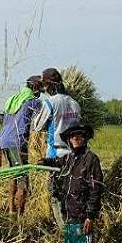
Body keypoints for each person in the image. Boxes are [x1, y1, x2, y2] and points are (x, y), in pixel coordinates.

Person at [39, 124, 103, 243]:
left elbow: (95, 190)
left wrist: (90, 217)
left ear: (85, 139)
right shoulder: (69, 158)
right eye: (73, 136)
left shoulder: (91, 159)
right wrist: (44, 162)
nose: (76, 138)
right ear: (69, 140)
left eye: (79, 136)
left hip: (82, 216)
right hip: (69, 214)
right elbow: (56, 162)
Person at [31, 67, 82, 226]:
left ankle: (65, 231)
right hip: (74, 157)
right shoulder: (75, 104)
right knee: (71, 194)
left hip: (56, 156)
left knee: (56, 196)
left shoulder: (50, 103)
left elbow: (37, 125)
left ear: (48, 86)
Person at [0, 75, 43, 216]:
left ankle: (11, 208)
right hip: (17, 142)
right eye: (40, 88)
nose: (41, 92)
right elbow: (41, 123)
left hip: (5, 140)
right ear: (35, 87)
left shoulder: (13, 99)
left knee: (14, 173)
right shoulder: (31, 102)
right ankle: (20, 214)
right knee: (23, 179)